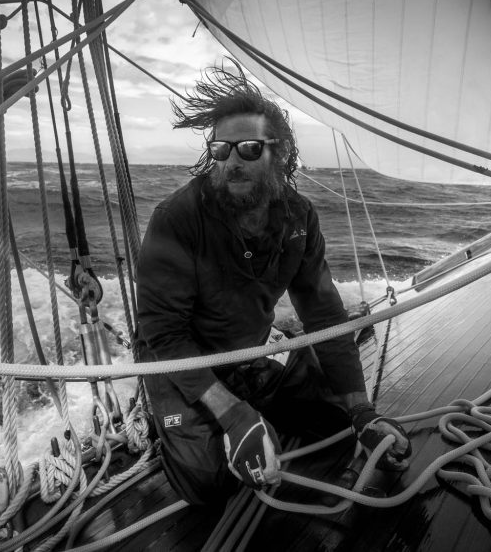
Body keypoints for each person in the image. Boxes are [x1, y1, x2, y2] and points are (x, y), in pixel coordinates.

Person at [134, 65, 411, 506]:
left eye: (248, 148)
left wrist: (362, 410)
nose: (232, 162)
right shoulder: (176, 219)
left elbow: (323, 313)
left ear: (278, 153)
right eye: (221, 149)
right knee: (207, 483)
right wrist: (231, 412)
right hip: (177, 357)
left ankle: (255, 405)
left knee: (340, 424)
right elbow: (163, 333)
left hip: (250, 351)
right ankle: (175, 418)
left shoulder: (299, 219)